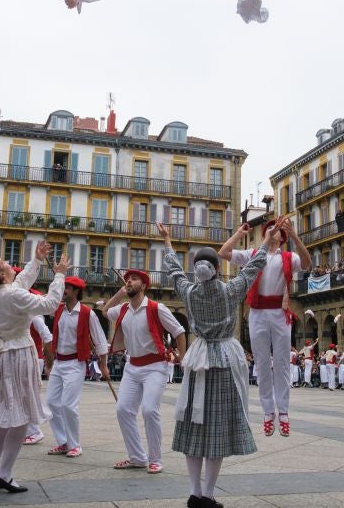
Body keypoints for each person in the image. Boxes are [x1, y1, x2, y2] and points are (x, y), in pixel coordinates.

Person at [161, 221, 279, 508]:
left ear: (199, 269)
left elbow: (174, 269)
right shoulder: (230, 291)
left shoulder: (189, 293)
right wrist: (267, 240)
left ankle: (193, 492)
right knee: (217, 429)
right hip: (224, 360)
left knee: (193, 427)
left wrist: (167, 241)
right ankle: (208, 495)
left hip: (198, 358)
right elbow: (254, 266)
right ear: (216, 268)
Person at [0, 243, 68, 494]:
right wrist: (59, 275)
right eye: (4, 262)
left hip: (5, 354)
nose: (8, 262)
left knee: (7, 416)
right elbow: (49, 304)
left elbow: (22, 282)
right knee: (20, 418)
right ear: (3, 276)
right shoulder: (11, 294)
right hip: (18, 354)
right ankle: (4, 474)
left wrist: (37, 261)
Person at [218, 215, 310, 437]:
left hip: (280, 311)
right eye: (270, 228)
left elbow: (307, 263)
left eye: (277, 229)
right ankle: (269, 412)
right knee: (261, 363)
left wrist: (295, 235)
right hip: (257, 312)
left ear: (282, 237)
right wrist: (239, 235)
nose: (273, 230)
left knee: (282, 364)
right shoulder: (253, 255)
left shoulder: (288, 257)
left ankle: (284, 413)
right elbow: (223, 253)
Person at [102, 267, 187, 474]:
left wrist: (183, 359)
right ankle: (137, 457)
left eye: (134, 279)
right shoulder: (123, 309)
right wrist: (120, 293)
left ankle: (155, 459)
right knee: (123, 410)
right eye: (128, 279)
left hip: (155, 366)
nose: (129, 282)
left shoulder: (157, 308)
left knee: (149, 410)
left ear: (144, 285)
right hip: (132, 366)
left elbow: (179, 331)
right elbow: (105, 311)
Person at [44, 275, 110, 458]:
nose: (63, 290)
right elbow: (45, 302)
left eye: (66, 287)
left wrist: (103, 366)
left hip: (75, 363)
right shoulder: (58, 310)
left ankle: (75, 445)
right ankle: (63, 442)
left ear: (76, 291)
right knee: (51, 402)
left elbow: (100, 341)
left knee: (68, 405)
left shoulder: (87, 314)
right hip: (59, 362)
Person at [23, 310, 53, 445]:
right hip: (28, 358)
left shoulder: (34, 317)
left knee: (30, 395)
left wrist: (49, 362)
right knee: (25, 395)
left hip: (34, 359)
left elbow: (47, 336)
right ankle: (28, 430)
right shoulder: (27, 316)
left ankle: (34, 431)